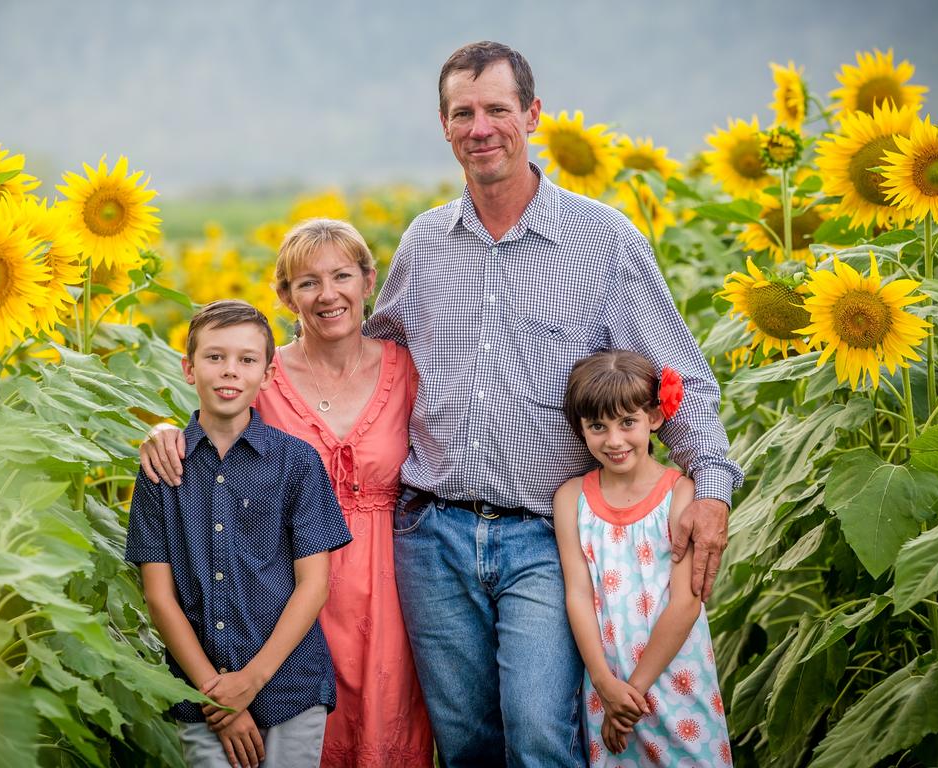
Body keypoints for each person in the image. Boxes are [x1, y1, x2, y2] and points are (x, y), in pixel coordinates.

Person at [362, 41, 743, 765]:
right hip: (431, 536)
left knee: (541, 736)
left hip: (547, 537)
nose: (481, 128)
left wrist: (713, 492)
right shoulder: (424, 245)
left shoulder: (602, 241)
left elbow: (682, 377)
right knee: (466, 741)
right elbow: (366, 363)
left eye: (498, 110)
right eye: (463, 113)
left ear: (533, 115)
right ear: (443, 126)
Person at [139, 221, 433, 767]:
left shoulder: (408, 368)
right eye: (306, 282)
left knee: (384, 729)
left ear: (370, 281)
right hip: (279, 586)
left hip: (391, 583)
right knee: (294, 729)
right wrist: (162, 432)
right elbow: (215, 427)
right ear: (284, 295)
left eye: (342, 275)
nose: (327, 294)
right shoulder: (264, 373)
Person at [125, 299, 353, 768]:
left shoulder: (297, 463)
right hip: (202, 695)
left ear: (267, 375)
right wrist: (219, 694)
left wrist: (249, 681)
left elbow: (314, 586)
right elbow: (159, 598)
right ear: (189, 369)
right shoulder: (162, 470)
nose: (230, 371)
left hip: (291, 685)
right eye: (215, 357)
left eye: (246, 360)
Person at [554, 351, 731, 766]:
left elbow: (686, 602)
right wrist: (604, 683)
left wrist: (632, 693)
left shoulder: (681, 493)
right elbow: (577, 595)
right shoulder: (571, 499)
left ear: (654, 417)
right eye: (597, 426)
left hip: (675, 676)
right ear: (580, 428)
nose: (613, 440)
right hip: (608, 683)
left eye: (627, 422)